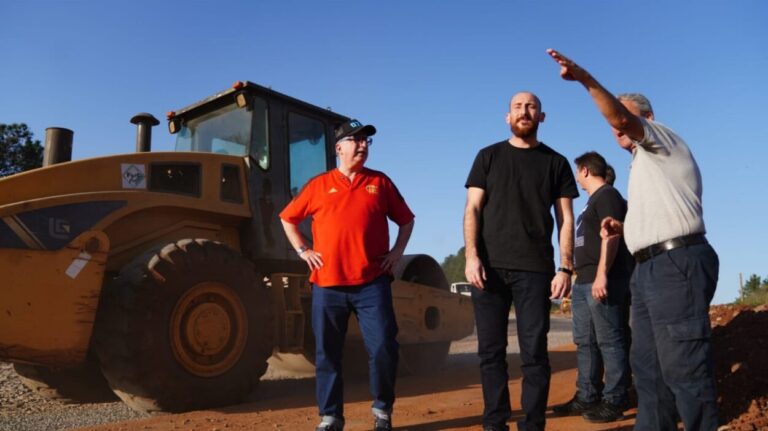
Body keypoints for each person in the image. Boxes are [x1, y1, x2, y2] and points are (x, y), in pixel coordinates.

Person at [547, 48, 720, 431]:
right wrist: (625, 230)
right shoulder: (642, 163)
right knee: (648, 368)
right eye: (613, 126)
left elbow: (621, 115)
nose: (617, 128)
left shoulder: (663, 140)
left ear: (649, 118)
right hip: (649, 268)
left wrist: (586, 80)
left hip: (677, 264)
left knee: (683, 366)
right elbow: (665, 212)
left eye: (622, 120)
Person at [280, 119, 415, 431]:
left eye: (366, 141)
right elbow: (288, 218)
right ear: (338, 148)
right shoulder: (318, 185)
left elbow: (406, 220)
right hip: (327, 286)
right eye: (356, 140)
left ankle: (382, 412)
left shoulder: (380, 183)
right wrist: (303, 250)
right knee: (327, 354)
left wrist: (397, 253)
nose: (363, 145)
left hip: (372, 284)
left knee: (383, 347)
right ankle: (331, 417)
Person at [464, 91, 579, 431]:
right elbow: (472, 209)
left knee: (534, 353)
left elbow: (566, 219)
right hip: (489, 267)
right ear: (507, 117)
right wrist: (471, 256)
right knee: (490, 353)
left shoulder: (555, 162)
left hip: (536, 269)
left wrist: (565, 266)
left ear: (541, 117)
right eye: (517, 107)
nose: (524, 112)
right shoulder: (488, 157)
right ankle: (494, 423)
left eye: (531, 107)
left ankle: (532, 425)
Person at [552, 151, 634, 423]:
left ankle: (615, 398)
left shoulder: (608, 195)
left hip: (605, 279)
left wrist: (602, 275)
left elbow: (611, 236)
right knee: (585, 342)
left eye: (578, 171)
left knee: (610, 341)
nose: (577, 176)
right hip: (584, 281)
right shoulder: (592, 202)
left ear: (585, 170)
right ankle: (586, 396)